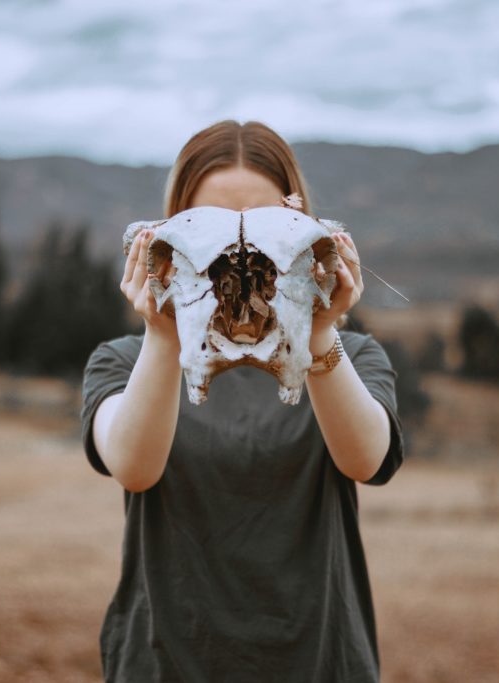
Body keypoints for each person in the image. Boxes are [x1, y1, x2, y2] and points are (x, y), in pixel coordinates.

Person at [81, 120, 404, 682]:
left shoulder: (348, 356)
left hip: (319, 663)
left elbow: (366, 461)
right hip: (164, 663)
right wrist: (163, 337)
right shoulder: (124, 361)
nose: (240, 252)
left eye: (262, 226)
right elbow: (133, 468)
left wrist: (319, 332)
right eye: (213, 228)